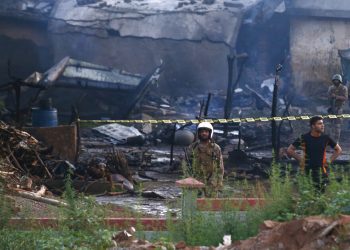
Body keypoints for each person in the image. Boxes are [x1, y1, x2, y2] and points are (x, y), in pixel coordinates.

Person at [287, 116, 342, 191]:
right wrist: (301, 160)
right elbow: (290, 150)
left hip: (321, 171)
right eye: (319, 124)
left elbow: (338, 150)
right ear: (313, 126)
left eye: (323, 124)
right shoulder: (304, 137)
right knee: (307, 194)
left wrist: (328, 161)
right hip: (307, 171)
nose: (322, 125)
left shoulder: (326, 138)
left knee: (320, 195)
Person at [186, 122, 224, 197]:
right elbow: (187, 164)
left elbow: (220, 166)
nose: (204, 133)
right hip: (196, 179)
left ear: (210, 133)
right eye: (202, 131)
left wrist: (219, 182)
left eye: (206, 131)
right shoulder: (193, 147)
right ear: (198, 133)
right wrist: (188, 179)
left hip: (211, 180)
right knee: (195, 202)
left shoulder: (215, 148)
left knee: (211, 204)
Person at [327, 74, 348, 143]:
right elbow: (328, 97)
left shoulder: (343, 88)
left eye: (337, 80)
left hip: (339, 108)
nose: (336, 82)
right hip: (331, 108)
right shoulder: (331, 88)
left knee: (337, 126)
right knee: (329, 126)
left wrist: (336, 96)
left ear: (340, 81)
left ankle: (336, 142)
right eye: (334, 80)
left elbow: (345, 98)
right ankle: (329, 141)